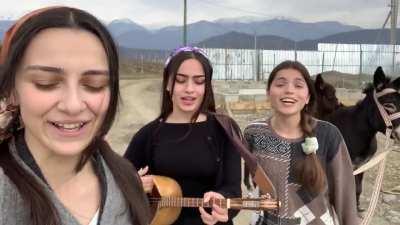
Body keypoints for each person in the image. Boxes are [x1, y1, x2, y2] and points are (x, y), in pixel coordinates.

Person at [0, 6, 150, 225]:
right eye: (46, 83)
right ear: (12, 90)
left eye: (94, 85)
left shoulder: (125, 179)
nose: (73, 105)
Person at [124, 46, 242, 225]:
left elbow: (233, 191)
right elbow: (120, 186)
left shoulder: (224, 128)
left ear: (207, 86)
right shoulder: (148, 135)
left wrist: (223, 206)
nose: (189, 89)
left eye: (199, 81)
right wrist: (135, 186)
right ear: (168, 84)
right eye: (180, 80)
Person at [244, 60, 360, 225]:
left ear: (308, 97)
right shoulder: (253, 132)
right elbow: (250, 186)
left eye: (298, 85)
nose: (289, 90)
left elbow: (345, 201)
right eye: (280, 84)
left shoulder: (329, 135)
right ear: (268, 92)